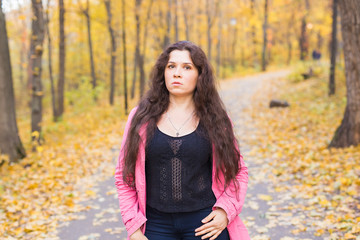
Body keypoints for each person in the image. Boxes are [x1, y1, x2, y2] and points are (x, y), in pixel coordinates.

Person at [115, 41, 249, 240]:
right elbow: (123, 177)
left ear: (200, 75)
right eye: (171, 66)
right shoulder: (140, 118)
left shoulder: (216, 119)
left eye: (187, 67)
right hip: (155, 224)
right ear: (163, 72)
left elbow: (239, 172)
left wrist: (225, 212)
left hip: (205, 223)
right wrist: (133, 229)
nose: (177, 73)